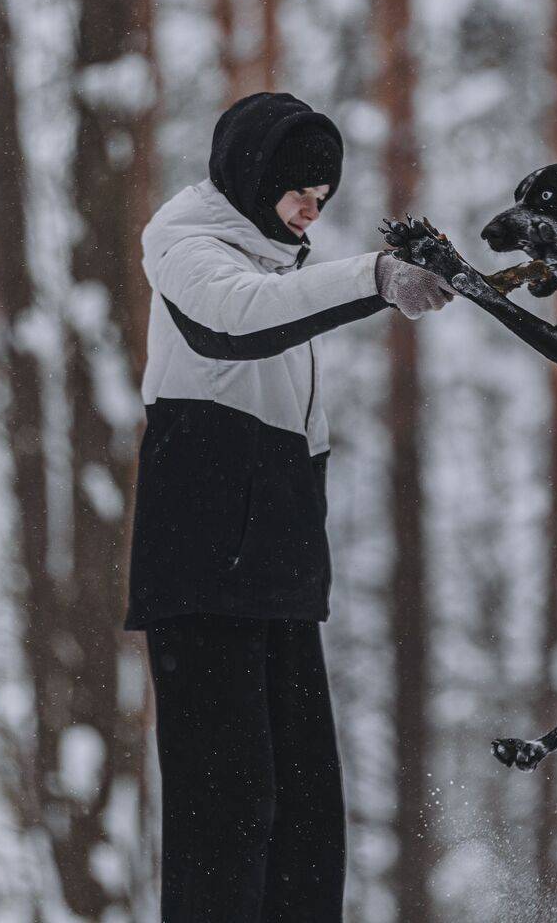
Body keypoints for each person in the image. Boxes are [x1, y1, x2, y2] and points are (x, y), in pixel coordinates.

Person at [124, 92, 451, 922]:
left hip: (274, 583)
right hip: (202, 578)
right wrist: (375, 278)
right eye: (301, 189)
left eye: (326, 196)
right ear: (251, 172)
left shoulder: (278, 266)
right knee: (226, 813)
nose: (313, 207)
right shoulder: (187, 248)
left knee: (308, 820)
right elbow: (239, 325)